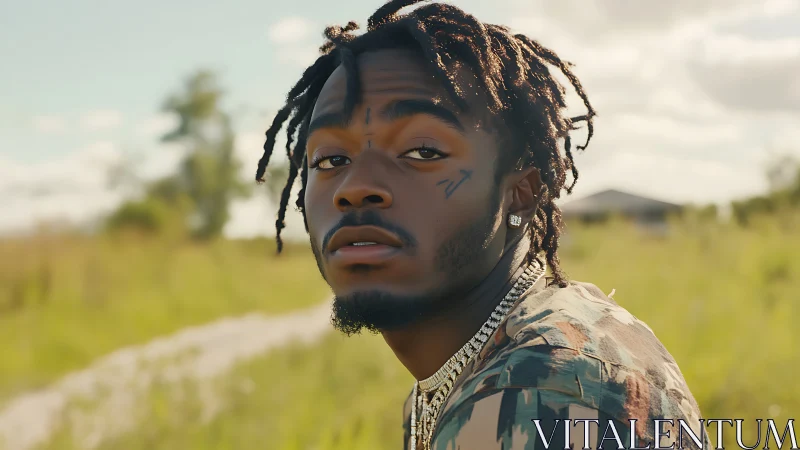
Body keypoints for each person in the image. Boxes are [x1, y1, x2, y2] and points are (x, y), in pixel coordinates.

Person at [255, 1, 708, 448]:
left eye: (422, 152)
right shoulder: (487, 364)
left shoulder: (537, 393)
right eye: (332, 159)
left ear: (521, 193)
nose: (355, 188)